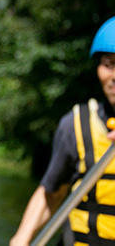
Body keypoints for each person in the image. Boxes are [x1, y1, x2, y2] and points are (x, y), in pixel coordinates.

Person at [10, 16, 115, 246]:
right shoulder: (75, 124)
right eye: (108, 65)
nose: (114, 76)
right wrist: (21, 239)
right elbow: (52, 193)